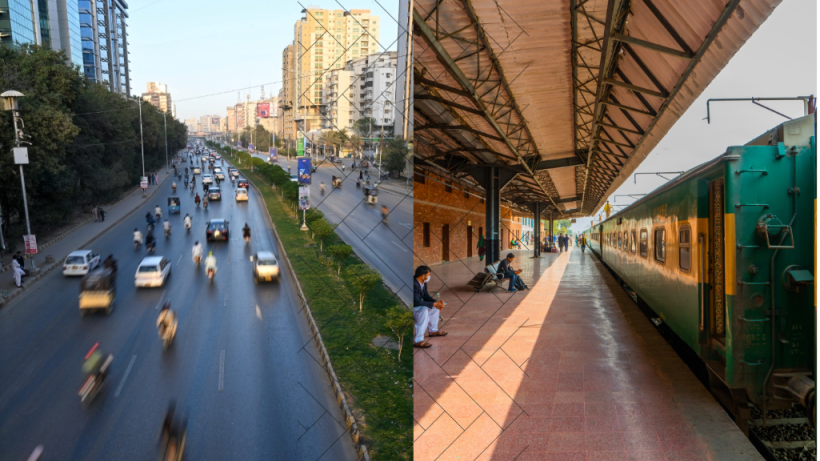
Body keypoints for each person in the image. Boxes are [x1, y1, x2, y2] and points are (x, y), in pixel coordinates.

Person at [413, 266, 446, 348]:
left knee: (435, 308)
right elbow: (416, 301)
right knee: (423, 310)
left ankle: (433, 330)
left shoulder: (423, 282)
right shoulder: (413, 283)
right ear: (423, 275)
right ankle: (418, 340)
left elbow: (426, 296)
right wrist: (434, 304)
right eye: (428, 274)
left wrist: (436, 302)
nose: (429, 276)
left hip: (417, 306)